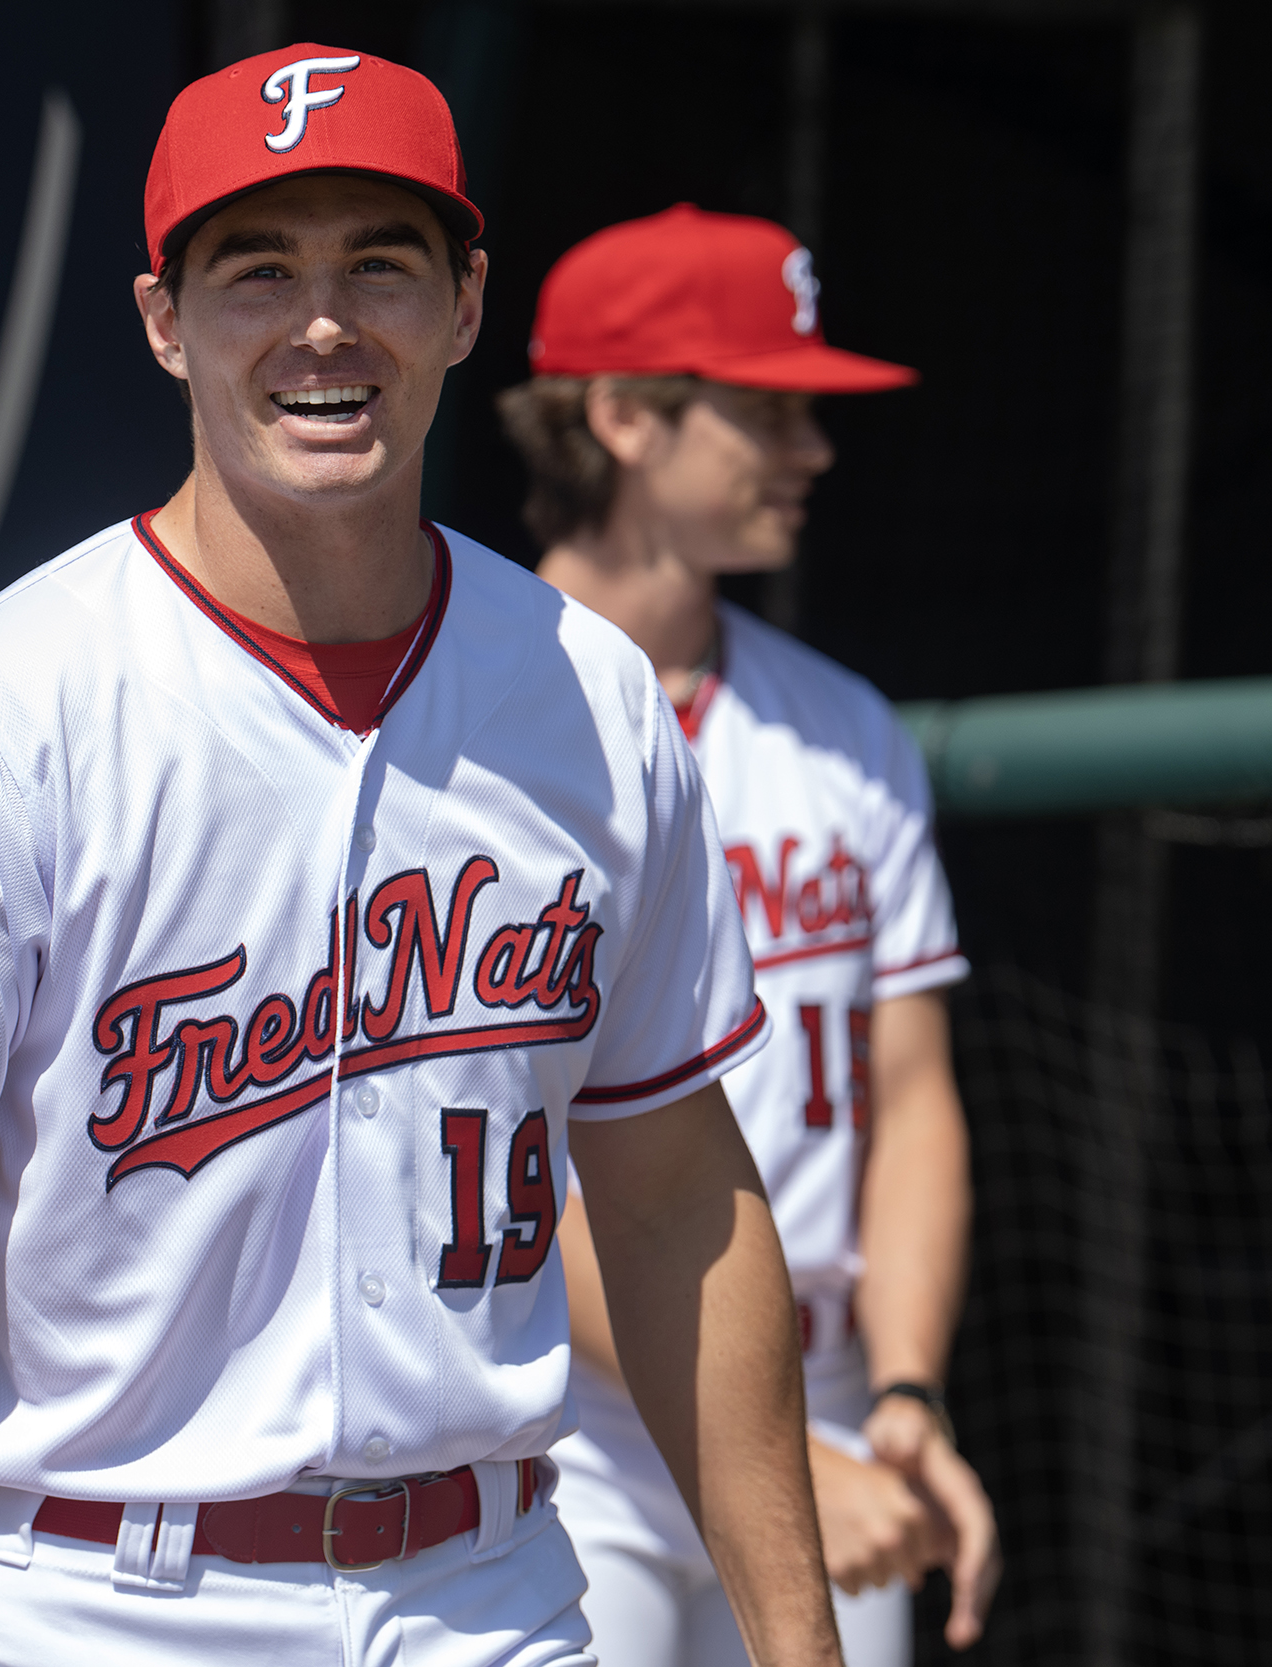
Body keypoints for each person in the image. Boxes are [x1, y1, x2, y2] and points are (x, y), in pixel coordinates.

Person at [0, 51, 843, 1667]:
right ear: (164, 320)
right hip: (91, 1599)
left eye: (380, 265)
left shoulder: (590, 701)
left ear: (465, 305)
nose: (324, 327)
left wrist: (802, 1646)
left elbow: (679, 1212)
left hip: (488, 1593)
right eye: (257, 272)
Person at [500, 205, 1000, 1667]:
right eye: (768, 413)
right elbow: (492, 1150)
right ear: (625, 417)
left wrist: (905, 1395)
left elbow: (914, 1096)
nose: (814, 450)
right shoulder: (477, 718)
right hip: (562, 1423)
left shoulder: (843, 728)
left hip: (830, 1398)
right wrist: (771, 1436)